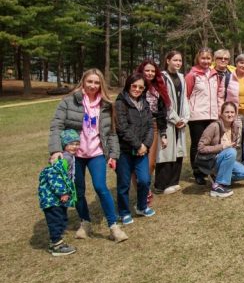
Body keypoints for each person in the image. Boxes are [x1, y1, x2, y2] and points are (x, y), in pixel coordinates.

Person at [48, 68, 128, 243]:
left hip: (96, 153)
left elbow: (111, 133)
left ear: (101, 85)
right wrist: (55, 150)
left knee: (101, 187)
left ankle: (113, 226)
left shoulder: (106, 105)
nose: (93, 85)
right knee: (78, 190)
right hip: (74, 155)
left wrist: (113, 154)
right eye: (90, 81)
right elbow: (56, 126)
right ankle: (85, 222)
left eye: (97, 82)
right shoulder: (69, 101)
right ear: (83, 81)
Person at [115, 73, 156, 225]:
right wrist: (138, 145)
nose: (137, 89)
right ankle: (124, 212)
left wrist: (145, 145)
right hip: (125, 151)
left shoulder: (144, 103)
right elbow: (122, 128)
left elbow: (150, 126)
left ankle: (141, 206)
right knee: (124, 183)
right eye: (134, 86)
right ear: (128, 85)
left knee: (144, 180)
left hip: (142, 150)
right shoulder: (121, 103)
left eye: (141, 87)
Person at [198, 102, 244, 198]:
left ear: (235, 114)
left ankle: (217, 178)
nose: (230, 114)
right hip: (212, 161)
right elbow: (201, 148)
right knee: (231, 152)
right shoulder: (214, 126)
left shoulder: (235, 127)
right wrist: (222, 146)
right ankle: (218, 187)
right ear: (221, 114)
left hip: (225, 159)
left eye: (232, 112)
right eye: (227, 112)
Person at [38, 129, 80, 256]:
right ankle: (56, 245)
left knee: (61, 218)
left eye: (77, 143)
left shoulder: (68, 156)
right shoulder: (64, 158)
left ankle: (56, 242)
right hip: (52, 198)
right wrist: (62, 192)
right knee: (56, 220)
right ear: (64, 145)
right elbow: (54, 175)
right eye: (71, 144)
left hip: (55, 197)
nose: (75, 146)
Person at [135, 59, 169, 206]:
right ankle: (143, 193)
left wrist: (163, 134)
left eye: (152, 71)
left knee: (150, 164)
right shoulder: (136, 85)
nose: (149, 73)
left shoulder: (158, 88)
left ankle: (144, 187)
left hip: (154, 126)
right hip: (137, 127)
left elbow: (162, 113)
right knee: (137, 161)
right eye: (147, 70)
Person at [155, 50, 189, 194]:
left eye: (180, 61)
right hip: (168, 120)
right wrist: (175, 119)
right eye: (175, 60)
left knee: (178, 151)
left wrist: (185, 118)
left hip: (180, 120)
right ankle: (161, 185)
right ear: (167, 60)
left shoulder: (182, 77)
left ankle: (174, 181)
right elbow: (164, 101)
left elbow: (185, 99)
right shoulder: (162, 77)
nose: (178, 63)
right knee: (166, 151)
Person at [185, 47, 220, 185]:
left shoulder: (215, 74)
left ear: (212, 60)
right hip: (197, 116)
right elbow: (187, 96)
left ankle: (209, 169)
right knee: (197, 145)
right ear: (198, 59)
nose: (205, 61)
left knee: (212, 144)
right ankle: (197, 172)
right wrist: (188, 113)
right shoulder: (192, 75)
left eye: (208, 58)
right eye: (203, 58)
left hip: (212, 115)